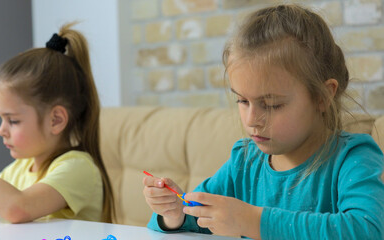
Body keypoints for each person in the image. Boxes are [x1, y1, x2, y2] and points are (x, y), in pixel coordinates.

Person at [143, 4, 384, 239]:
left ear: (322, 96)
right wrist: (174, 213)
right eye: (242, 101)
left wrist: (252, 221)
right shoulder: (244, 161)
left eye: (271, 105)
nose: (251, 120)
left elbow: (367, 230)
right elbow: (196, 217)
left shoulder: (352, 157)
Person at [0, 22, 115, 224]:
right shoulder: (22, 167)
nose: (1, 130)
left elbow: (17, 208)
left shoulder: (79, 168)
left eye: (13, 120)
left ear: (56, 120)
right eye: (2, 119)